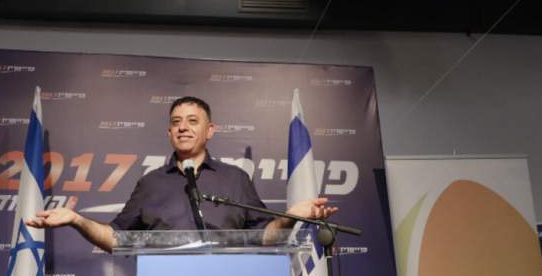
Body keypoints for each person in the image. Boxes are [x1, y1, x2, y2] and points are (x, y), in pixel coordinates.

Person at [27, 96, 336, 251]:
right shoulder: (150, 183)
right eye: (176, 122)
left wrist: (290, 217)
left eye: (192, 121)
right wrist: (77, 220)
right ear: (169, 132)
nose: (183, 128)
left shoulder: (235, 179)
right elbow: (116, 238)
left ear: (210, 130)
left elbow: (264, 236)